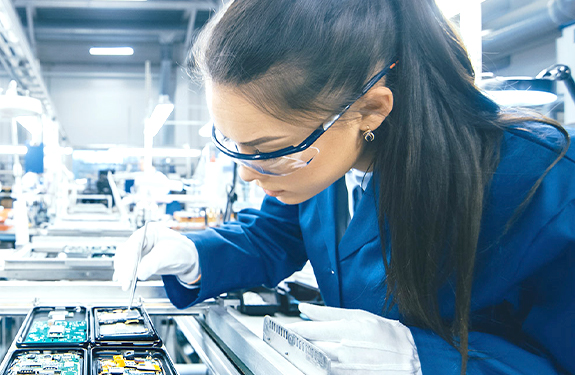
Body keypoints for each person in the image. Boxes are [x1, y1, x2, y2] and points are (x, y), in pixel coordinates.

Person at [113, 0, 575, 373]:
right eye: (232, 143)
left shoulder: (542, 182)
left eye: (268, 148)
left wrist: (429, 360)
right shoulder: (323, 162)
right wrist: (193, 256)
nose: (250, 173)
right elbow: (275, 236)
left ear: (371, 109)